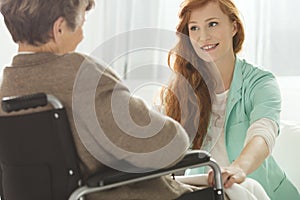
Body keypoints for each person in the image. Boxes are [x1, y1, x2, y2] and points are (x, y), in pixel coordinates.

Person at [0, 0, 204, 199]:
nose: (82, 35)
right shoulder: (79, 75)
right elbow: (166, 145)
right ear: (59, 29)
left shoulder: (7, 91)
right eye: (81, 24)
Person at [160, 0, 300, 199]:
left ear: (234, 26)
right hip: (207, 192)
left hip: (259, 191)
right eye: (194, 28)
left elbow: (263, 131)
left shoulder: (261, 81)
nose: (203, 36)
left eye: (213, 24)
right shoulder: (184, 88)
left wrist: (238, 168)